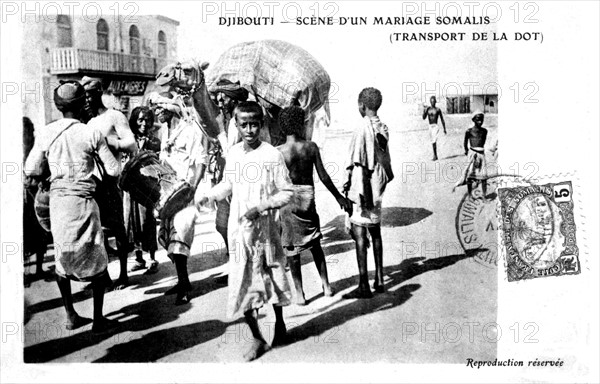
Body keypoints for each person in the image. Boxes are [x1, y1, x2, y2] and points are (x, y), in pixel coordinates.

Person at [195, 101, 294, 362]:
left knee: (272, 275)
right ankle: (257, 338)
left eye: (254, 124)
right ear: (236, 125)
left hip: (266, 229)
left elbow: (287, 191)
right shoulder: (234, 153)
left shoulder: (272, 154)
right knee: (243, 279)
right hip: (240, 231)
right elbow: (228, 184)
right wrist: (209, 196)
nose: (249, 130)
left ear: (261, 125)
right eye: (244, 124)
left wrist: (262, 206)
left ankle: (280, 326)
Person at [24, 81, 120, 332]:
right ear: (83, 104)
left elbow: (31, 169)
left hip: (58, 205)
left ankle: (70, 316)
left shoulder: (46, 133)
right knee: (97, 259)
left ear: (57, 106)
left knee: (62, 259)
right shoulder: (91, 133)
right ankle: (98, 319)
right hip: (85, 203)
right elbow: (113, 169)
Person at [276, 106, 351, 304]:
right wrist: (339, 197)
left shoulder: (278, 152)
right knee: (315, 243)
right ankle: (326, 285)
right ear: (302, 124)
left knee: (291, 248)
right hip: (307, 198)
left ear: (282, 127)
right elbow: (323, 176)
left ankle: (300, 294)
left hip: (288, 200)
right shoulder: (311, 147)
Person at [150, 91, 208, 305]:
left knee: (181, 236)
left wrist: (193, 188)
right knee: (167, 237)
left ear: (169, 108)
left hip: (184, 192)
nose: (156, 113)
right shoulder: (165, 132)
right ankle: (182, 279)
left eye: (159, 109)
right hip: (168, 194)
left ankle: (183, 285)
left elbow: (201, 160)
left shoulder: (190, 130)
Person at [82, 77, 137, 290]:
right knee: (99, 230)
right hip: (96, 181)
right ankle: (104, 275)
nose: (88, 98)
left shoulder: (114, 116)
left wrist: (110, 142)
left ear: (100, 92)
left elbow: (131, 144)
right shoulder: (88, 122)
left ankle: (123, 274)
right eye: (85, 94)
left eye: (92, 93)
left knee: (118, 228)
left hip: (114, 180)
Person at [343, 87, 394, 299]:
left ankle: (364, 284)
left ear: (362, 106)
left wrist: (347, 185)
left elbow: (356, 160)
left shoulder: (361, 128)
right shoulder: (382, 127)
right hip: (377, 184)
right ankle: (380, 279)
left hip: (363, 184)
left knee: (360, 233)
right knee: (376, 229)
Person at [126, 106, 161, 274]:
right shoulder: (128, 139)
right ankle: (138, 257)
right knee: (131, 222)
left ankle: (152, 257)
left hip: (147, 186)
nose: (144, 123)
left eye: (147, 120)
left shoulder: (154, 141)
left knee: (147, 221)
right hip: (130, 187)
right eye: (140, 120)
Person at [22, 117, 51, 281]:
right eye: (27, 131)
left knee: (41, 232)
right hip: (23, 197)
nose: (30, 134)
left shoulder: (36, 146)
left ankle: (39, 268)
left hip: (36, 193)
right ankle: (24, 273)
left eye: (31, 130)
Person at [453, 111, 488, 197]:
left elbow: (483, 142)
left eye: (481, 119)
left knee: (484, 176)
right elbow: (465, 143)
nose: (480, 121)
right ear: (473, 120)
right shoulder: (469, 131)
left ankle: (484, 196)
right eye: (478, 119)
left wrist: (479, 152)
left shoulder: (484, 131)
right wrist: (467, 151)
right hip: (472, 153)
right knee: (469, 175)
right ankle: (469, 195)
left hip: (481, 154)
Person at [422, 96, 446, 161]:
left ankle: (435, 155)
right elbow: (424, 118)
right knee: (432, 141)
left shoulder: (438, 109)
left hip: (435, 126)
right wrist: (424, 111)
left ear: (435, 102)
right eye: (431, 101)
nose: (433, 103)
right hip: (430, 126)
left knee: (434, 140)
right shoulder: (428, 109)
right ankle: (435, 155)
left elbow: (442, 119)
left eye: (434, 101)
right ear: (430, 102)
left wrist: (444, 128)